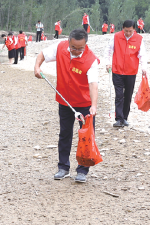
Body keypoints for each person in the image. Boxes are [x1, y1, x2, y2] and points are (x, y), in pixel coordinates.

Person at [34, 28, 99, 183]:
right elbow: (42, 54)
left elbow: (93, 84)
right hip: (65, 101)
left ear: (86, 44)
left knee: (86, 137)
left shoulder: (91, 60)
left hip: (84, 104)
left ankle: (82, 171)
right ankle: (63, 167)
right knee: (64, 134)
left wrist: (94, 106)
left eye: (80, 48)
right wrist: (37, 67)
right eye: (73, 47)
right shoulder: (61, 47)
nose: (76, 51)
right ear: (69, 42)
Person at [103, 20, 147, 128]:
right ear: (122, 28)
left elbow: (143, 55)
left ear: (134, 29)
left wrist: (144, 68)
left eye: (130, 31)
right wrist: (108, 63)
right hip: (117, 71)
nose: (128, 33)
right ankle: (118, 119)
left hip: (131, 72)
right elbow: (108, 50)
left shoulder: (139, 39)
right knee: (119, 95)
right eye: (126, 31)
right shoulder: (116, 37)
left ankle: (124, 118)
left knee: (128, 95)